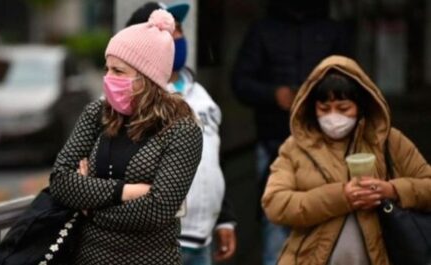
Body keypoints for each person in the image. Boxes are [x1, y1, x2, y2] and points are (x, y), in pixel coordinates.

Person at [49, 9, 203, 265]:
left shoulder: (182, 130)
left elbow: (158, 210)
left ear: (148, 78)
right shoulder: (97, 113)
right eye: (107, 68)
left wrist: (87, 204)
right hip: (88, 258)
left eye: (119, 71)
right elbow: (60, 180)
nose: (108, 79)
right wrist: (126, 191)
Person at [261, 55, 431, 264]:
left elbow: (428, 185)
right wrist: (342, 197)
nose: (333, 117)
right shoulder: (295, 147)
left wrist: (392, 190)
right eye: (324, 109)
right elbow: (275, 204)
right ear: (312, 108)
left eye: (343, 108)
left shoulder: (388, 141)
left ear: (361, 106)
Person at [231, 0, 351, 263]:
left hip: (327, 146)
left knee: (327, 229)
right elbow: (240, 81)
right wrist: (273, 94)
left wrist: (321, 96)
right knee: (276, 226)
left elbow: (354, 81)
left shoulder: (333, 31)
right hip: (274, 145)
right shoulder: (263, 30)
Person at [125, 2, 237, 264]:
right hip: (155, 241)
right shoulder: (131, 99)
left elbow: (210, 160)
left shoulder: (200, 95)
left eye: (179, 30)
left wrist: (224, 219)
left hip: (201, 239)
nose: (176, 37)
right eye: (166, 31)